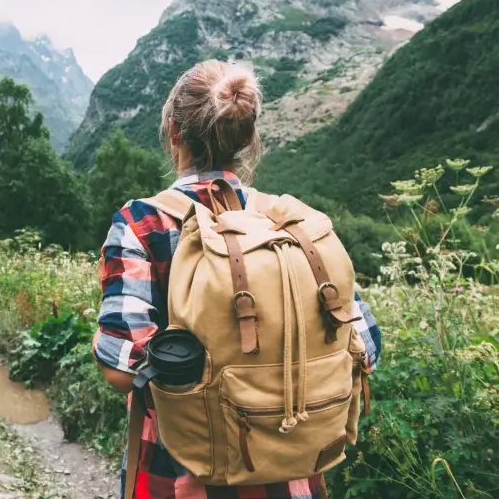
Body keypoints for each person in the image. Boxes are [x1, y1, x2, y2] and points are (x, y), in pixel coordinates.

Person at [93, 59, 381, 499]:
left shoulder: (143, 224)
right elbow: (367, 346)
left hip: (182, 472)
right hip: (293, 473)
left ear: (173, 132)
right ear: (248, 139)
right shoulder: (289, 224)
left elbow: (118, 367)